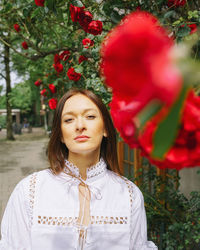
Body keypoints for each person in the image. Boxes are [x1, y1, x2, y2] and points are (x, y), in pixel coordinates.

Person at [0, 88, 157, 250]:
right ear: (60, 134)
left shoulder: (129, 194)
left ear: (105, 129)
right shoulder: (29, 191)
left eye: (90, 116)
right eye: (69, 120)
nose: (80, 126)